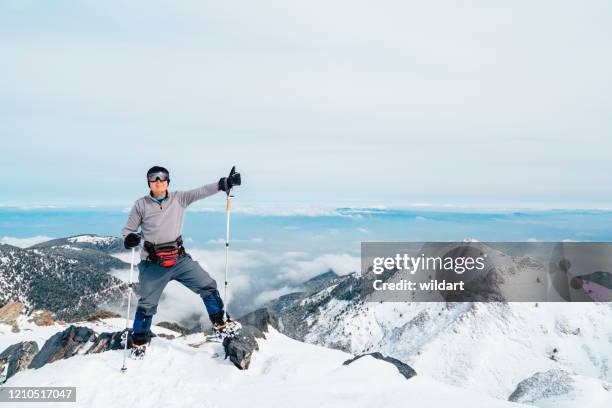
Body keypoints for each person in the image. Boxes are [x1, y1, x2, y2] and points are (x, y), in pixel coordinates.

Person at [122, 165, 241, 357]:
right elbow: (128, 230)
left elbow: (201, 191)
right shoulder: (141, 205)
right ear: (149, 182)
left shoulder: (179, 198)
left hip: (178, 259)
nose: (158, 181)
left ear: (168, 181)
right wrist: (130, 239)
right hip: (152, 264)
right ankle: (139, 342)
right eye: (154, 179)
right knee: (147, 305)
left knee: (208, 286)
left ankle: (220, 323)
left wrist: (223, 184)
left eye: (162, 178)